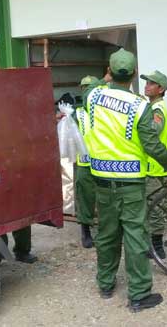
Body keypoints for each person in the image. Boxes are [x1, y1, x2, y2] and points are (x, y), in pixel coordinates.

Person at [85, 48, 167, 312]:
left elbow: (95, 84)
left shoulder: (93, 95)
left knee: (107, 234)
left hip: (101, 179)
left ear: (109, 71)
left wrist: (106, 75)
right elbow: (152, 146)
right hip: (130, 182)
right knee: (134, 236)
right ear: (133, 74)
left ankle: (106, 284)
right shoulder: (140, 105)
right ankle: (139, 294)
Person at [140, 70, 167, 259]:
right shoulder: (156, 106)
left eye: (151, 83)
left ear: (161, 89)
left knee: (155, 207)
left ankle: (157, 247)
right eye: (147, 82)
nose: (147, 85)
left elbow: (153, 131)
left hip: (155, 166)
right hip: (163, 164)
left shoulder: (157, 110)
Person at [74, 75, 102, 248]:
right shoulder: (76, 113)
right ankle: (86, 231)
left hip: (103, 162)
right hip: (85, 162)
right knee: (85, 198)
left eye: (90, 89)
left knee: (105, 198)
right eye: (85, 89)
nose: (87, 92)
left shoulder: (104, 111)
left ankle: (105, 230)